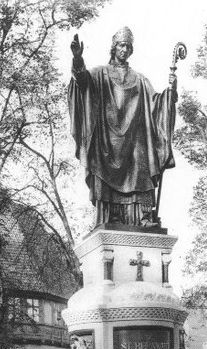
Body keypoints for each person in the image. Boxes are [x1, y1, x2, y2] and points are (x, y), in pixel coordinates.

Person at [68, 27, 178, 226]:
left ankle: (144, 217)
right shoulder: (100, 73)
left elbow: (157, 104)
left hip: (135, 140)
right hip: (106, 139)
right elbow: (82, 83)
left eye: (128, 46)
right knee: (104, 166)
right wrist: (77, 60)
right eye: (121, 45)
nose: (124, 49)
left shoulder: (141, 80)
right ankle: (112, 216)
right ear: (113, 47)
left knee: (143, 163)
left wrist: (171, 92)